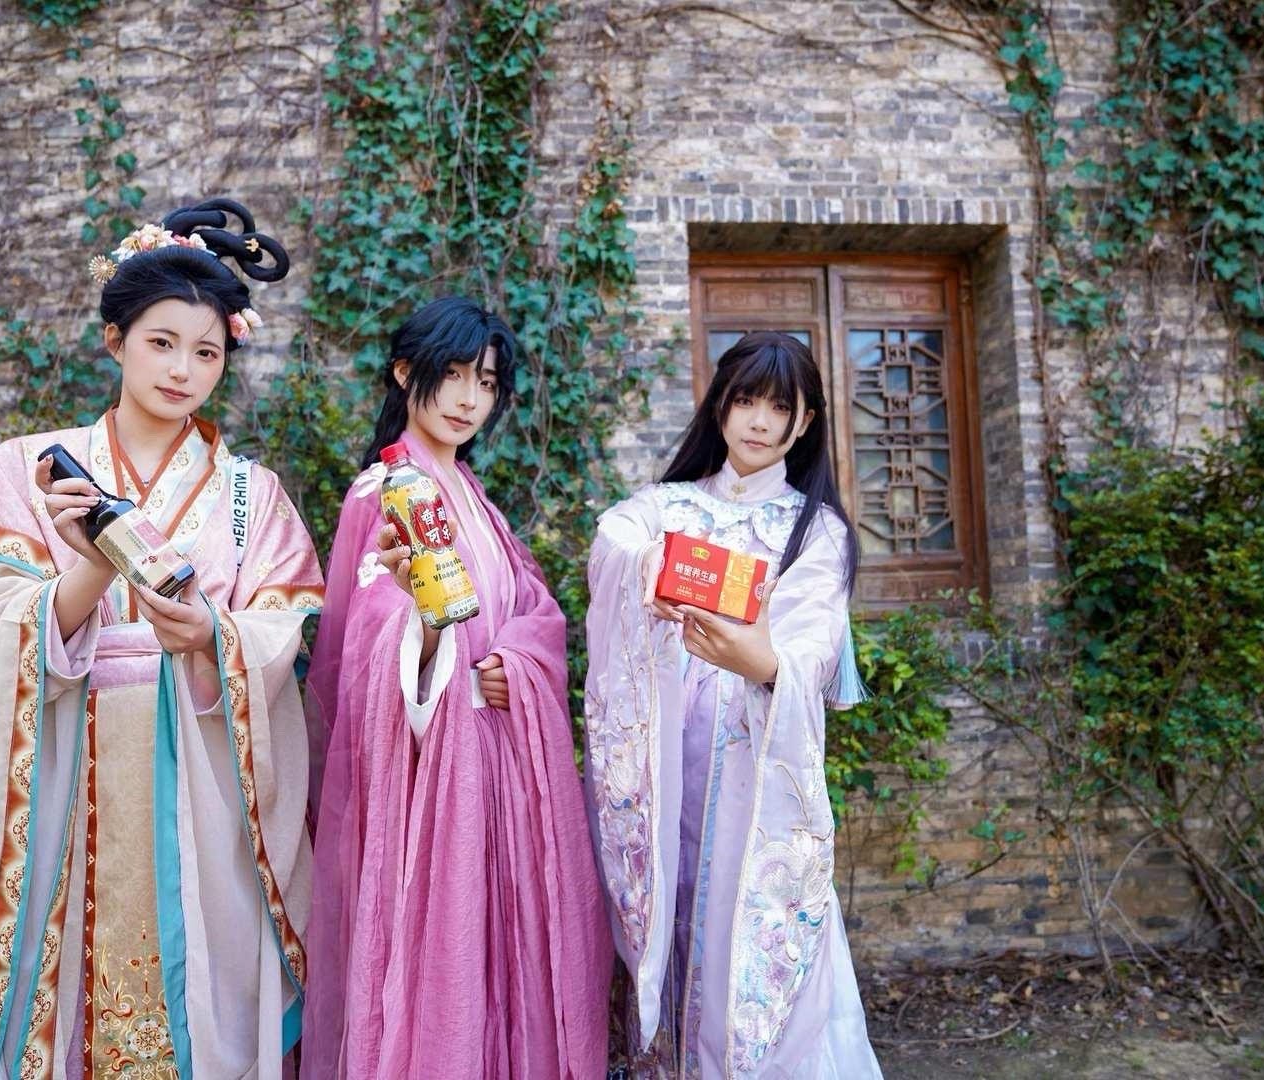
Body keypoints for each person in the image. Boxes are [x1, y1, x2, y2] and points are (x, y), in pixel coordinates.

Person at [0, 198, 322, 1078]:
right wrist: (93, 566)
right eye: (161, 342)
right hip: (65, 772)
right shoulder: (28, 469)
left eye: (207, 352)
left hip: (201, 786)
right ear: (115, 341)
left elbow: (276, 634)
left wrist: (211, 636)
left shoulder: (253, 494)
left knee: (204, 1003)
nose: (183, 369)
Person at [302, 295, 610, 1078]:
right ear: (406, 372)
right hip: (430, 772)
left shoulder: (472, 494)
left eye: (488, 382)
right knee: (445, 960)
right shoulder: (382, 492)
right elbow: (363, 643)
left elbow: (537, 609)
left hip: (499, 754)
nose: (472, 399)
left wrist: (518, 662)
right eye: (455, 375)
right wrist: (433, 638)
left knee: (500, 951)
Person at [584, 331, 884, 1077]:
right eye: (745, 399)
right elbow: (614, 540)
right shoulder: (666, 507)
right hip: (661, 773)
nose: (758, 420)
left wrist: (759, 659)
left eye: (779, 407)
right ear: (720, 403)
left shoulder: (815, 531)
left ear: (805, 421)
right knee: (664, 920)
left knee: (735, 943)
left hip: (751, 776)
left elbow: (810, 648)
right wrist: (653, 565)